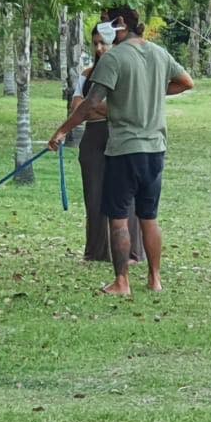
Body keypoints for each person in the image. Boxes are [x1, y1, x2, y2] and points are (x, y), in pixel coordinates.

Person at [48, 7, 194, 297]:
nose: (103, 29)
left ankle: (122, 281)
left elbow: (90, 103)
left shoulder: (113, 58)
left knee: (118, 218)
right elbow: (186, 82)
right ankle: (154, 279)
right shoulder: (160, 54)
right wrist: (149, 90)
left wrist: (62, 131)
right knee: (148, 217)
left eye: (106, 23)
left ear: (122, 23)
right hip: (155, 149)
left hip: (124, 149)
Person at [71, 22, 145, 264]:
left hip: (122, 139)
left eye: (104, 43)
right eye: (95, 44)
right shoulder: (86, 75)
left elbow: (126, 109)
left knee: (126, 197)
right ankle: (96, 251)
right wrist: (105, 109)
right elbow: (77, 108)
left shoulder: (128, 71)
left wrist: (94, 107)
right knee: (94, 197)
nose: (99, 48)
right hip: (93, 140)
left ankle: (130, 252)